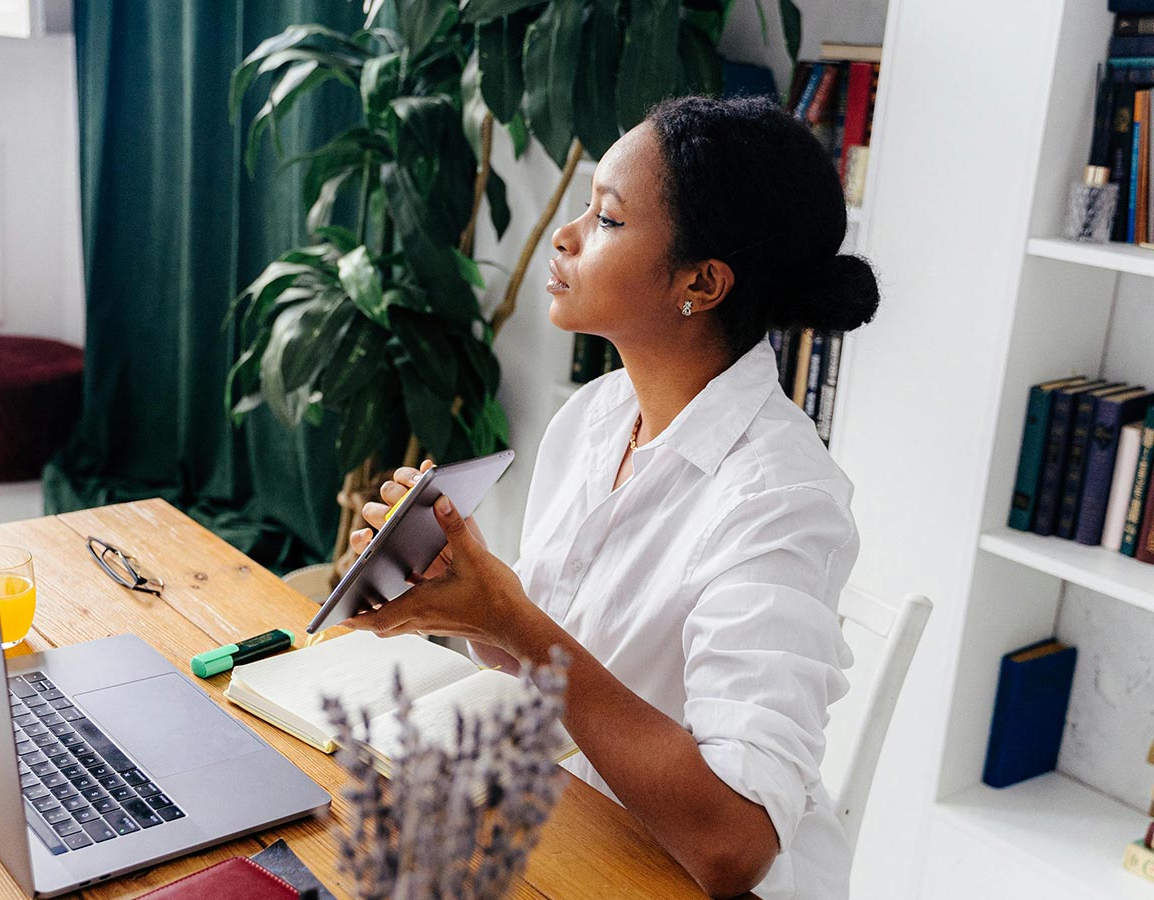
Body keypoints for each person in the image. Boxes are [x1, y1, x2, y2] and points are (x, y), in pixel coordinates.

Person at [344, 95, 880, 900]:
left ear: (701, 282)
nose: (565, 235)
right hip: (567, 828)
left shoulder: (780, 498)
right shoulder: (594, 418)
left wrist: (510, 619)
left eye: (609, 219)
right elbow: (561, 668)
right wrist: (467, 601)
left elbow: (736, 843)